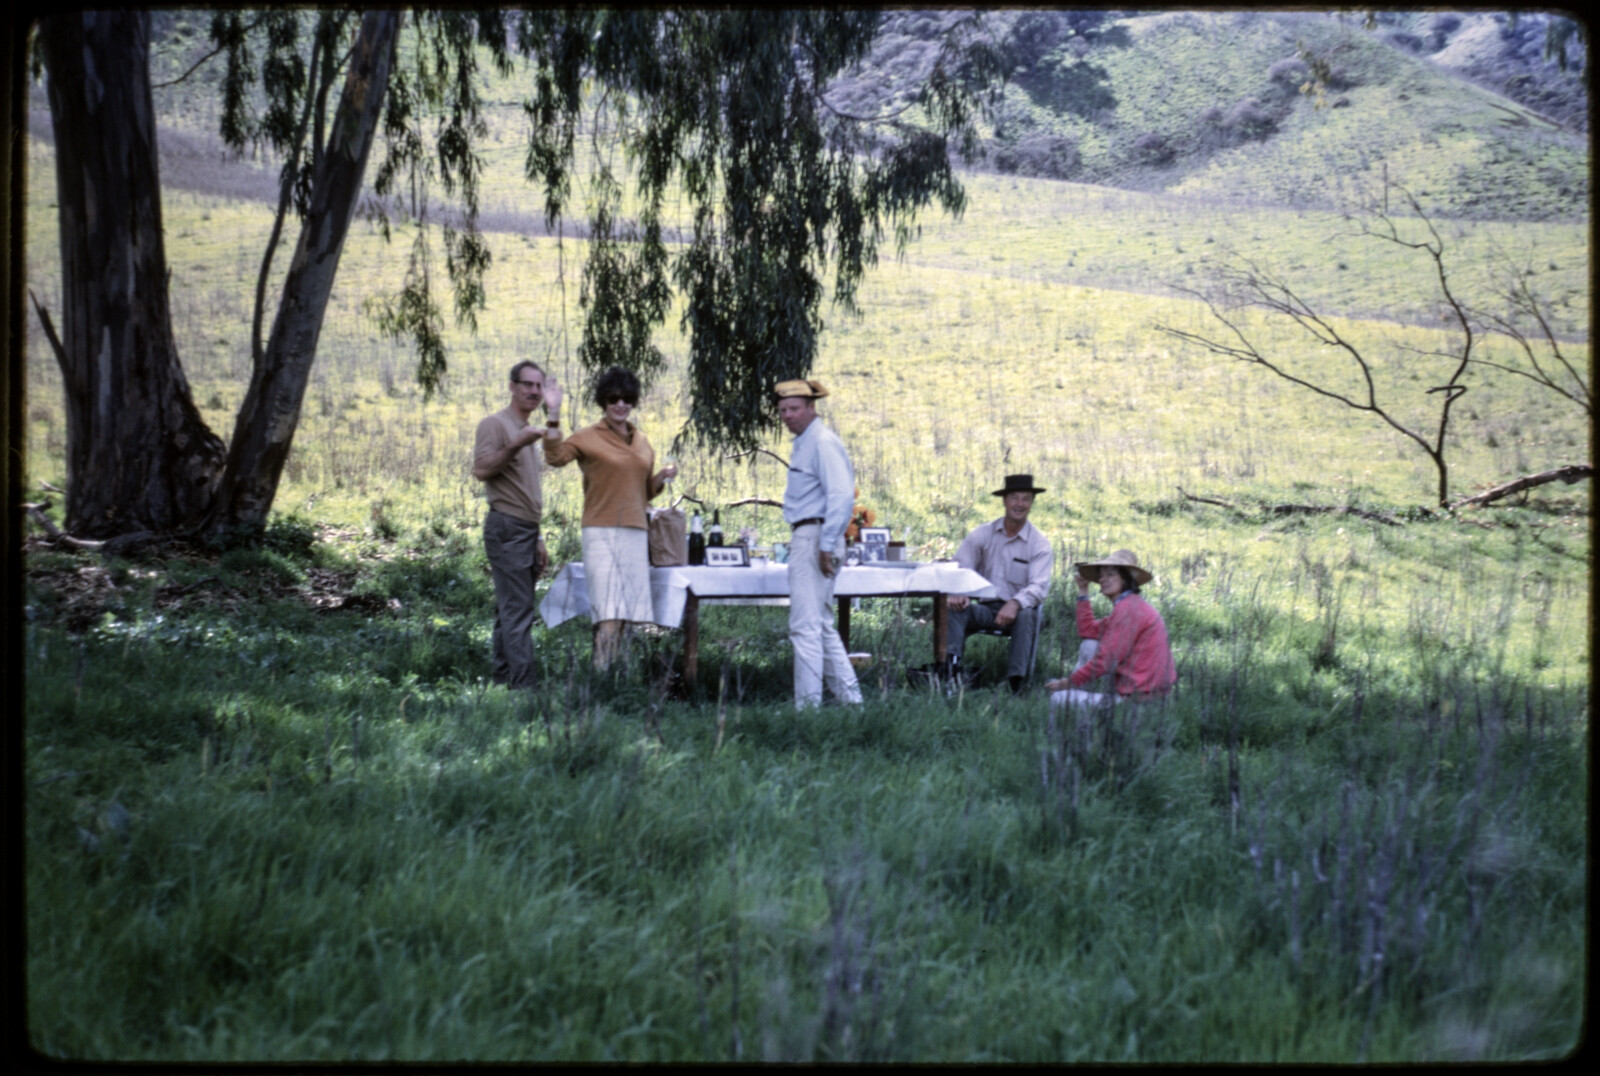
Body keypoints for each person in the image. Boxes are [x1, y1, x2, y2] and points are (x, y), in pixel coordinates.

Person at [544, 366, 677, 669]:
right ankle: (602, 678)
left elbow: (644, 493)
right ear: (603, 402)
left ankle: (620, 676)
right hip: (600, 531)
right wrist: (553, 413)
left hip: (635, 531)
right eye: (614, 398)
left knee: (627, 611)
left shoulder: (642, 442)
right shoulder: (588, 437)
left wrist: (663, 477)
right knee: (607, 611)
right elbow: (554, 457)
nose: (620, 405)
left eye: (627, 398)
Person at [472, 360, 564, 690]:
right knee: (519, 612)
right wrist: (515, 444)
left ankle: (502, 682)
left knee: (510, 611)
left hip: (525, 529)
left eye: (539, 386)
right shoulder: (496, 425)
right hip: (507, 527)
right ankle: (524, 691)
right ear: (512, 386)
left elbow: (531, 480)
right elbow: (482, 470)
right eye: (527, 384)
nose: (534, 392)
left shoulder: (527, 428)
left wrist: (538, 535)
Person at [776, 378, 862, 709]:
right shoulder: (805, 442)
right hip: (810, 533)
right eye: (783, 410)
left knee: (804, 628)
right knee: (822, 626)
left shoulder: (822, 442)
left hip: (815, 535)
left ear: (812, 408)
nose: (788, 415)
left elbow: (841, 495)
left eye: (795, 408)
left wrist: (826, 544)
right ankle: (853, 704)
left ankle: (808, 710)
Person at [945, 473, 1054, 693]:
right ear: (1004, 501)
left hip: (1018, 613)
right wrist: (959, 592)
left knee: (1027, 615)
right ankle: (950, 671)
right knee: (953, 609)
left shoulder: (1039, 544)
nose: (1019, 504)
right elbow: (960, 568)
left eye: (1026, 499)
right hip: (985, 608)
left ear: (1032, 503)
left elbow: (1039, 587)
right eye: (1014, 497)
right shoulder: (982, 534)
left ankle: (1016, 683)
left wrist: (1015, 603)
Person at [1045, 549, 1176, 713]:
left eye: (1110, 574)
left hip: (1140, 702)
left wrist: (1068, 683)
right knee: (1090, 644)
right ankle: (1081, 696)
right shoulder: (1131, 605)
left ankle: (1074, 699)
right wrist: (1083, 590)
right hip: (1150, 697)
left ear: (1125, 579)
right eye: (1101, 575)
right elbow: (1087, 630)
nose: (1102, 580)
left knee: (1057, 699)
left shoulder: (1127, 610)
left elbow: (1105, 660)